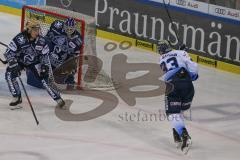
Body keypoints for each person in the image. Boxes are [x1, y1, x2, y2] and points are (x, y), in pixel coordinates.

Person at [4, 20, 65, 108]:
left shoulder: (41, 41)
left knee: (44, 78)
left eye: (38, 29)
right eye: (35, 30)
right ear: (29, 30)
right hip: (20, 61)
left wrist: (45, 66)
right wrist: (13, 63)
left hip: (35, 61)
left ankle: (57, 98)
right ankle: (17, 96)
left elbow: (45, 55)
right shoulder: (19, 39)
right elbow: (8, 52)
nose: (37, 32)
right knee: (9, 75)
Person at [158, 40, 198, 154]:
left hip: (172, 86)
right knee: (180, 110)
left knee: (172, 113)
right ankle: (177, 132)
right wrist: (183, 51)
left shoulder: (161, 59)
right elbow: (192, 66)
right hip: (188, 85)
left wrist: (181, 51)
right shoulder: (181, 53)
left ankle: (184, 135)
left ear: (160, 51)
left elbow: (172, 61)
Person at [45, 17, 82, 85]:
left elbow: (75, 54)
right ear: (64, 25)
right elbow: (48, 36)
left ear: (75, 28)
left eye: (71, 29)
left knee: (73, 60)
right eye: (67, 28)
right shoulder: (57, 25)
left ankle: (69, 78)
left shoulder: (78, 39)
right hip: (52, 47)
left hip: (64, 55)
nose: (68, 30)